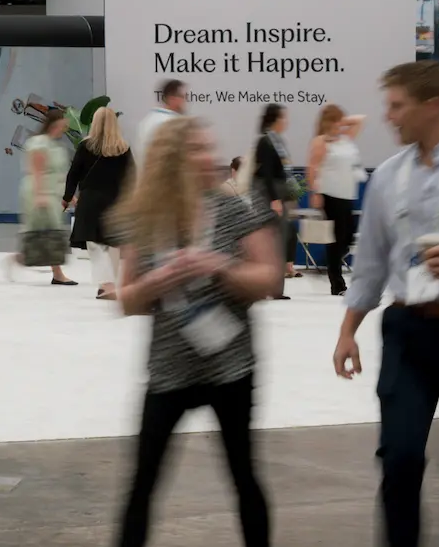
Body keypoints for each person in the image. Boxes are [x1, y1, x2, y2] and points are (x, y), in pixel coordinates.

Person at [334, 61, 439, 547]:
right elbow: (369, 265)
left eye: (396, 105)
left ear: (431, 106)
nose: (388, 117)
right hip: (407, 330)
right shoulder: (386, 176)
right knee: (400, 455)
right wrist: (348, 330)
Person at [114, 116, 281, 547]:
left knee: (243, 474)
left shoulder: (239, 207)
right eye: (198, 149)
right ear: (171, 161)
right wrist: (158, 280)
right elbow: (128, 299)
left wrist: (220, 266)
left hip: (231, 366)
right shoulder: (144, 219)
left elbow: (270, 279)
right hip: (169, 370)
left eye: (210, 147)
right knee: (143, 481)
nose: (210, 157)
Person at [65, 105, 135, 301]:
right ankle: (109, 284)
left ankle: (107, 285)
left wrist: (67, 197)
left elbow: (73, 175)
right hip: (115, 201)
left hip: (90, 201)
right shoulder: (123, 148)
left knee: (95, 245)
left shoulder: (86, 147)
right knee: (112, 243)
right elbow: (132, 177)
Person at [13, 108, 76, 286]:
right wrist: (40, 195)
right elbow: (37, 170)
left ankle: (21, 258)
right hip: (38, 191)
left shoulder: (56, 145)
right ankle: (58, 273)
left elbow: (60, 174)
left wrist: (69, 197)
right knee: (51, 231)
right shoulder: (39, 143)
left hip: (52, 192)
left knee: (47, 231)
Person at [307, 104, 365, 296]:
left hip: (347, 193)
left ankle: (332, 267)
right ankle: (337, 284)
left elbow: (360, 119)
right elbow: (312, 168)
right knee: (336, 239)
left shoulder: (345, 139)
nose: (339, 124)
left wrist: (342, 121)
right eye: (335, 120)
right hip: (330, 194)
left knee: (348, 237)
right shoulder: (320, 141)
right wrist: (314, 192)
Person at [250, 103, 300, 284]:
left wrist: (290, 195)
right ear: (275, 119)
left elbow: (284, 171)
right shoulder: (265, 141)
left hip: (280, 190)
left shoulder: (279, 141)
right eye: (283, 118)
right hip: (270, 193)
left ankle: (278, 284)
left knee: (283, 236)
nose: (286, 122)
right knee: (273, 238)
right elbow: (268, 173)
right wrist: (275, 199)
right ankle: (271, 283)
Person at [134, 80, 186, 166]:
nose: (184, 101)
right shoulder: (173, 124)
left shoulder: (146, 121)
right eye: (182, 97)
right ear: (171, 98)